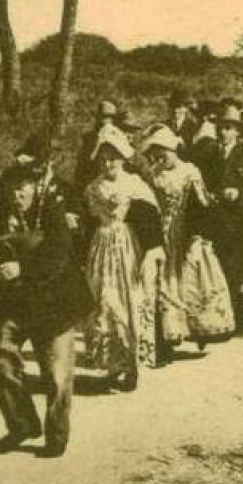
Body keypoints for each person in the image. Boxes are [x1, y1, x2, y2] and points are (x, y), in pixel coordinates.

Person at [0, 164, 94, 458]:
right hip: (14, 303)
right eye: (11, 190)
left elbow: (56, 255)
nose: (17, 195)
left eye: (23, 188)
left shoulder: (53, 215)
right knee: (0, 357)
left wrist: (22, 267)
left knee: (57, 375)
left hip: (55, 303)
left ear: (34, 188)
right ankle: (21, 425)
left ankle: (56, 436)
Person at [80, 127, 164, 391]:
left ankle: (132, 365)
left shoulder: (134, 185)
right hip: (100, 250)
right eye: (104, 158)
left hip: (128, 249)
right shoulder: (92, 188)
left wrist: (151, 252)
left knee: (129, 302)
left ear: (123, 158)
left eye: (113, 157)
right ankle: (112, 365)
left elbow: (150, 221)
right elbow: (88, 225)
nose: (108, 163)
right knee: (104, 302)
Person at [141, 125, 235, 354]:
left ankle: (194, 329)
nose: (159, 157)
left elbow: (202, 207)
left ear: (173, 149)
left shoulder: (189, 172)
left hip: (184, 231)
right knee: (159, 282)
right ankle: (165, 335)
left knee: (187, 281)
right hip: (159, 232)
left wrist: (199, 235)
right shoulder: (152, 174)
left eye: (163, 151)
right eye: (155, 153)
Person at [193, 102, 243, 322]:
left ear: (237, 131)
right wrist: (209, 194)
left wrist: (240, 193)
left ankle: (238, 308)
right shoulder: (208, 154)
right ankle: (223, 310)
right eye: (221, 127)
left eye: (229, 127)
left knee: (238, 264)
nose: (224, 132)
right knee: (219, 263)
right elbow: (200, 182)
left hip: (241, 218)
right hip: (217, 218)